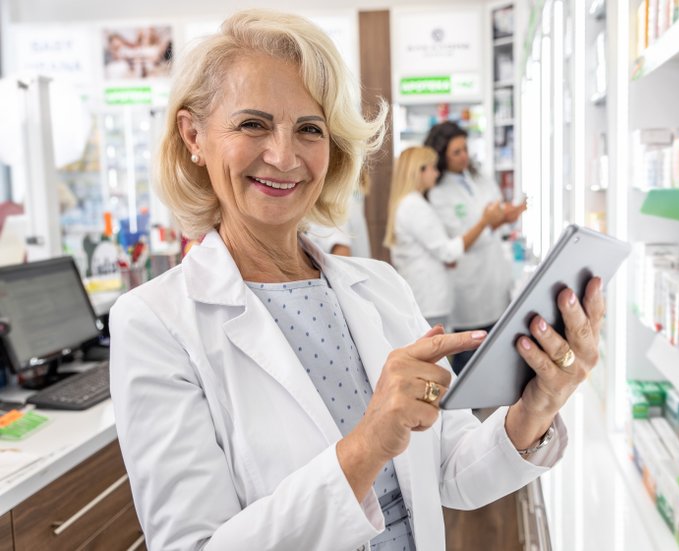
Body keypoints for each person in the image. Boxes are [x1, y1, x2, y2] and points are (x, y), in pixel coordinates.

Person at [109, 9, 604, 551]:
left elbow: (451, 470)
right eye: (252, 124)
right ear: (193, 135)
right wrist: (366, 446)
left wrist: (536, 408)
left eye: (309, 129)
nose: (283, 155)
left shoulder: (379, 286)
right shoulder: (155, 324)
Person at [425, 121, 527, 374]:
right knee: (469, 359)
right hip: (468, 285)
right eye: (456, 152)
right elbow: (456, 241)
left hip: (494, 276)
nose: (463, 156)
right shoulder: (438, 193)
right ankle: (468, 412)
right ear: (441, 155)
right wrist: (487, 221)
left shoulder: (479, 178)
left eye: (465, 149)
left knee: (498, 353)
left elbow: (494, 221)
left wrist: (506, 217)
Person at [384, 146, 503, 330]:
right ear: (419, 171)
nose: (436, 173)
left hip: (426, 297)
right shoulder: (414, 206)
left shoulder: (409, 203)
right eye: (432, 168)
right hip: (429, 300)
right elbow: (447, 252)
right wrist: (484, 222)